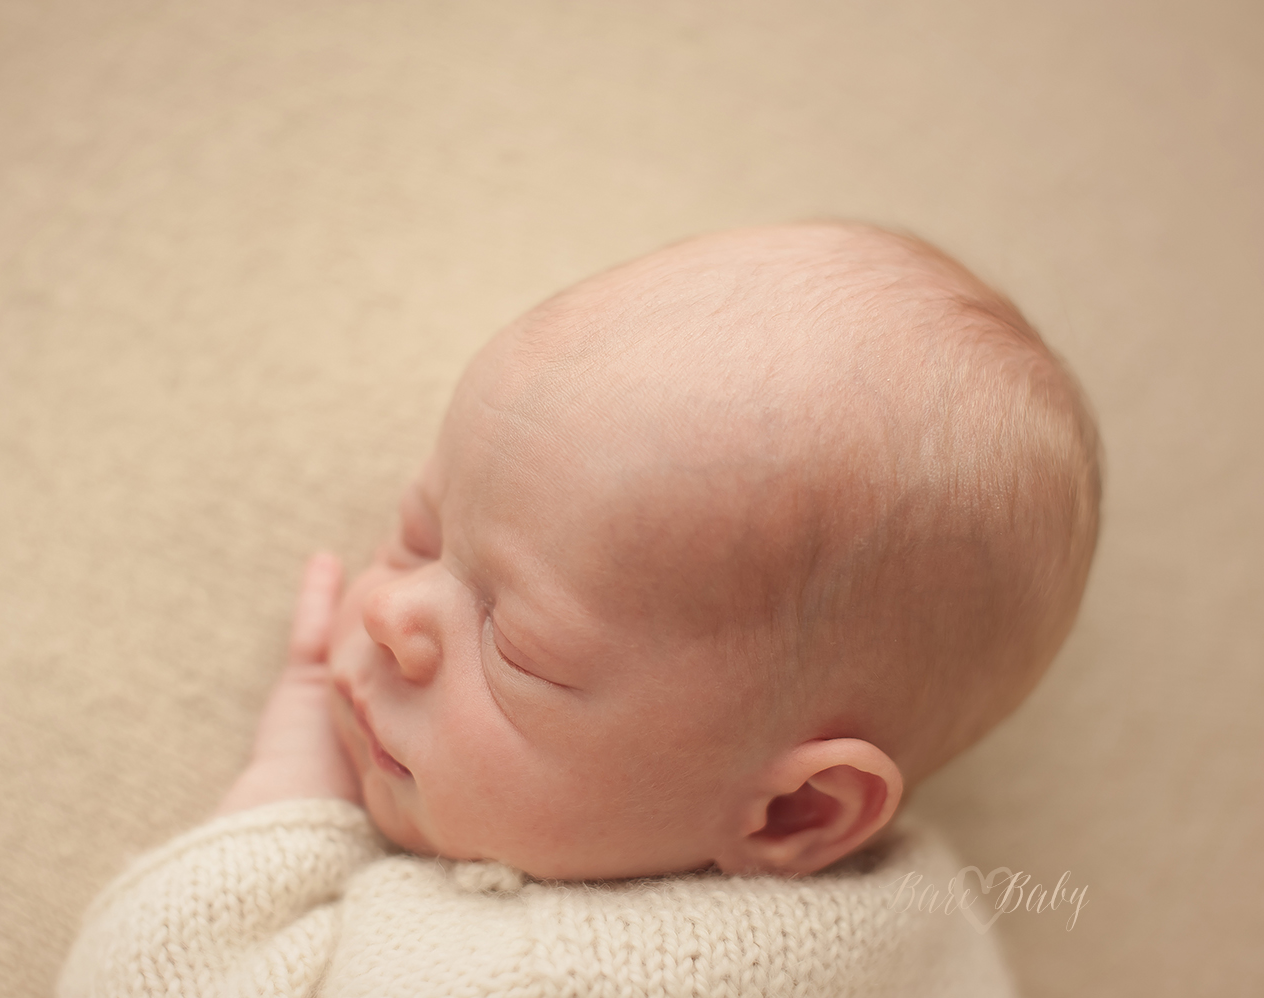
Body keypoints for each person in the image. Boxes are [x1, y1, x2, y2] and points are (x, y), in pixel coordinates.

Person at [60, 222, 1101, 997]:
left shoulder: (519, 970)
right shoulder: (936, 941)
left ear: (797, 810)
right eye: (419, 534)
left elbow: (150, 977)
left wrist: (289, 782)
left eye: (516, 644)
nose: (393, 612)